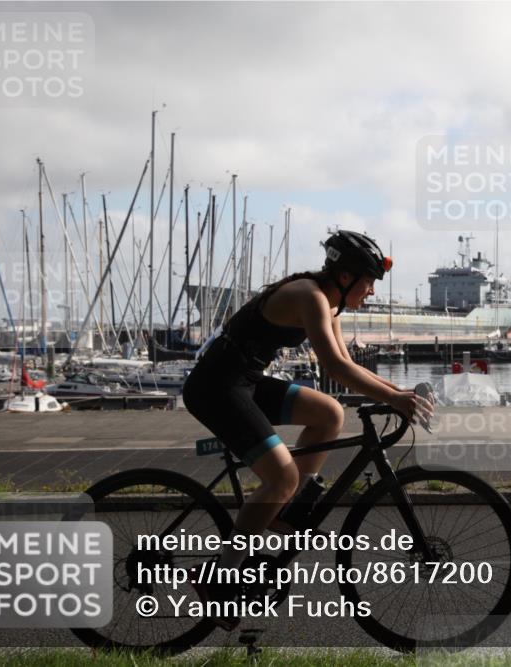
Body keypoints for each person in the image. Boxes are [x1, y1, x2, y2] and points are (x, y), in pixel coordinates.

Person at [182, 230, 433, 621]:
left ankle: (285, 509)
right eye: (368, 282)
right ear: (346, 277)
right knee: (280, 477)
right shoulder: (310, 296)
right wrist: (394, 399)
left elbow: (347, 366)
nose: (370, 292)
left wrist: (399, 393)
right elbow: (332, 367)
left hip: (244, 380)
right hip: (215, 386)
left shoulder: (330, 304)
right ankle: (221, 574)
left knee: (329, 413)